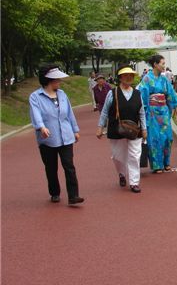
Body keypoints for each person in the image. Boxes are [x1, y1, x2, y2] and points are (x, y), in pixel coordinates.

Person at [29, 65, 84, 205]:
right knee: (51, 168)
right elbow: (35, 113)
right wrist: (41, 127)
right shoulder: (35, 97)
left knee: (69, 166)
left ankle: (73, 195)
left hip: (66, 136)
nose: (59, 81)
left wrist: (75, 130)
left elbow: (69, 113)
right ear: (48, 80)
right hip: (47, 139)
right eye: (56, 79)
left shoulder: (62, 94)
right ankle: (54, 192)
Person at [97, 65, 147, 193]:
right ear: (120, 78)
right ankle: (121, 173)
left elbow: (142, 112)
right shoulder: (112, 93)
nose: (129, 77)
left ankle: (134, 182)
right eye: (126, 75)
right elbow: (104, 111)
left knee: (135, 155)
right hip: (116, 128)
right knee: (117, 156)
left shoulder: (137, 93)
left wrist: (145, 128)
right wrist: (100, 127)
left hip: (134, 129)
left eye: (131, 75)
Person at [138, 55, 177, 173]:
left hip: (164, 112)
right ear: (155, 64)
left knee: (168, 138)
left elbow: (171, 95)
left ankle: (166, 162)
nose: (164, 65)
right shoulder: (147, 79)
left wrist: (176, 109)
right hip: (152, 113)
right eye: (162, 63)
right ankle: (157, 165)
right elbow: (142, 96)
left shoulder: (164, 80)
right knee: (154, 138)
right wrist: (144, 113)